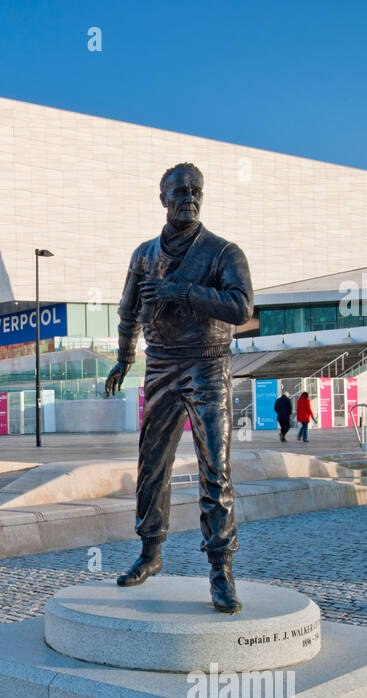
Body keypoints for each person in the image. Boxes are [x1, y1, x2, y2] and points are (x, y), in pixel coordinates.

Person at [104, 162, 254, 613]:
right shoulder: (144, 254)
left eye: (195, 191)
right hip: (161, 366)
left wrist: (183, 293)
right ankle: (150, 554)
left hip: (208, 365)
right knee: (152, 464)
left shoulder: (224, 252)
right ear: (163, 198)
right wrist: (125, 357)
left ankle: (220, 569)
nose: (188, 198)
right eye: (179, 192)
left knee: (215, 468)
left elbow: (241, 306)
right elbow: (128, 312)